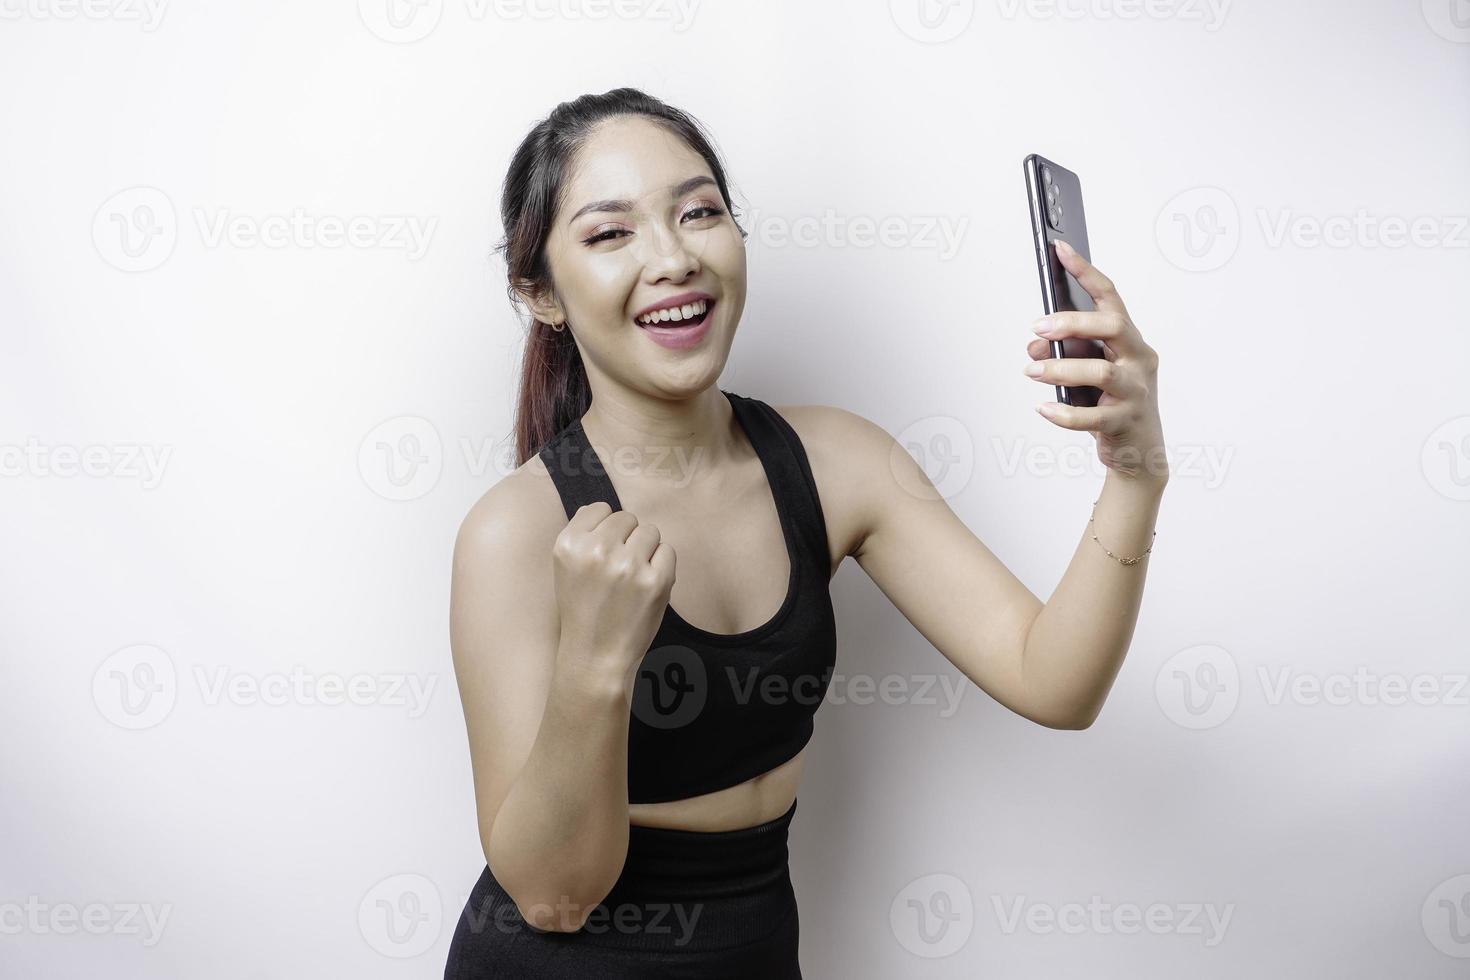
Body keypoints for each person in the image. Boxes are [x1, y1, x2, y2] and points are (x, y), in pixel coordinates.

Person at [443, 87, 1168, 979]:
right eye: (610, 233)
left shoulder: (839, 462)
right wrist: (595, 662)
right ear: (541, 294)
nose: (673, 257)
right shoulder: (513, 533)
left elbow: (1055, 682)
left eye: (699, 212)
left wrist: (1135, 474)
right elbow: (555, 896)